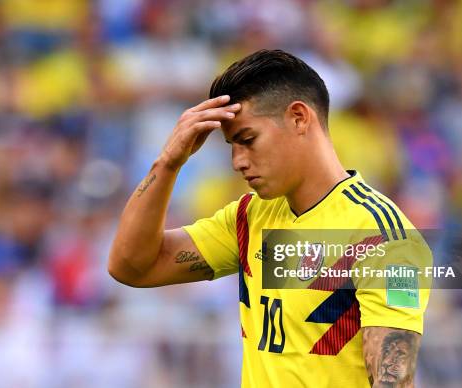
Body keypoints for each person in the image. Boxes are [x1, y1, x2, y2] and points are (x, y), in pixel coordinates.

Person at [108, 49, 431, 387]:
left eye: (247, 140)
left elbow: (393, 380)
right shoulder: (249, 217)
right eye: (232, 146)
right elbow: (132, 266)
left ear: (298, 118)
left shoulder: (384, 237)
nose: (237, 161)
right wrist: (168, 163)